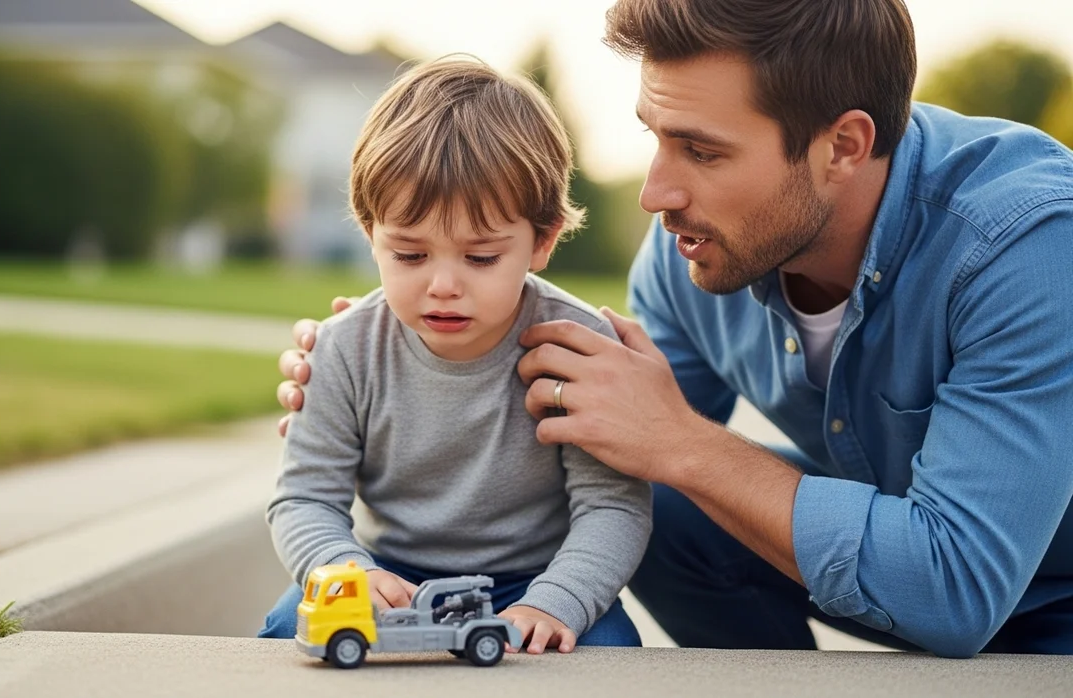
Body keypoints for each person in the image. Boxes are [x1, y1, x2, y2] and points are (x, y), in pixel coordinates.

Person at [275, 0, 1073, 657]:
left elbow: (958, 586)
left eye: (700, 150)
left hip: (1044, 601)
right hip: (898, 562)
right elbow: (597, 452)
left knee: (680, 466)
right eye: (656, 136)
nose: (656, 192)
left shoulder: (1027, 245)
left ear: (844, 147)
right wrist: (409, 361)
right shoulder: (691, 253)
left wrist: (682, 444)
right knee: (661, 502)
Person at [257, 56, 654, 655]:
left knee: (610, 654)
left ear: (541, 241)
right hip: (386, 575)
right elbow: (305, 496)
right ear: (371, 236)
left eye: (481, 257)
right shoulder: (343, 347)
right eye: (410, 256)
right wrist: (345, 569)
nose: (443, 284)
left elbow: (613, 507)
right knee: (288, 632)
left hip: (536, 579)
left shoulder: (575, 346)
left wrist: (556, 601)